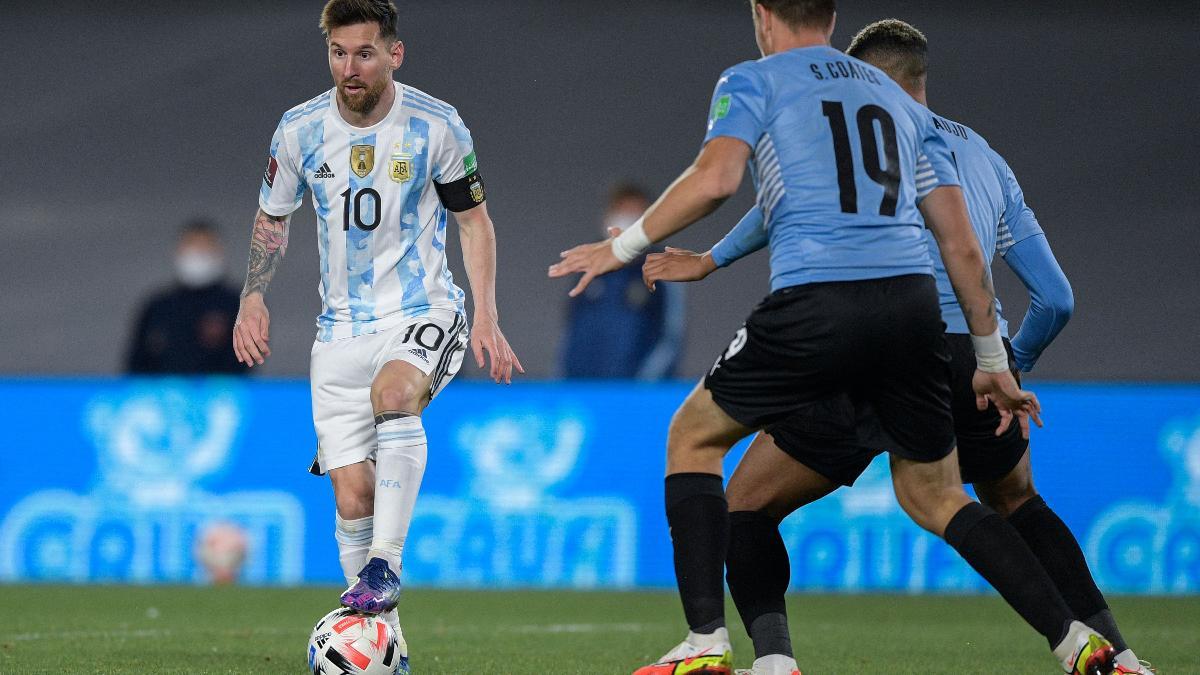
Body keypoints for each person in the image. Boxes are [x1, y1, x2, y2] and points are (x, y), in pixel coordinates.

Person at [550, 2, 1114, 674]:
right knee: (936, 495)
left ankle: (707, 643)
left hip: (817, 300)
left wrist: (628, 246)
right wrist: (992, 358)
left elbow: (718, 179)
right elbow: (962, 244)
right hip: (912, 311)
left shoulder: (755, 79)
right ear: (832, 12)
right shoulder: (899, 101)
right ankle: (1076, 639)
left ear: (762, 13)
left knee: (693, 437)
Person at [233, 0, 522, 665]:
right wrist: (253, 296)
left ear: (395, 53)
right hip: (339, 332)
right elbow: (271, 219)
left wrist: (488, 314)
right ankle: (382, 639)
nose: (349, 67)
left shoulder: (435, 126)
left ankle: (387, 564)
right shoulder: (300, 130)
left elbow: (474, 222)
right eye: (338, 52)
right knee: (352, 493)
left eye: (364, 52)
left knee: (397, 395)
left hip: (421, 310)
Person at [559, 182, 685, 379]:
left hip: (633, 396)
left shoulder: (663, 270)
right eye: (622, 211)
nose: (626, 220)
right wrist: (562, 381)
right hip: (581, 393)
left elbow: (671, 337)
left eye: (635, 214)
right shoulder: (588, 266)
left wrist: (645, 387)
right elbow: (569, 331)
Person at [126, 220, 245, 375]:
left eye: (204, 247)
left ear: (219, 251)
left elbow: (245, 362)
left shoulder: (238, 305)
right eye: (192, 246)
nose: (197, 254)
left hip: (220, 394)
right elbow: (137, 361)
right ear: (178, 251)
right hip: (163, 394)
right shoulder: (158, 306)